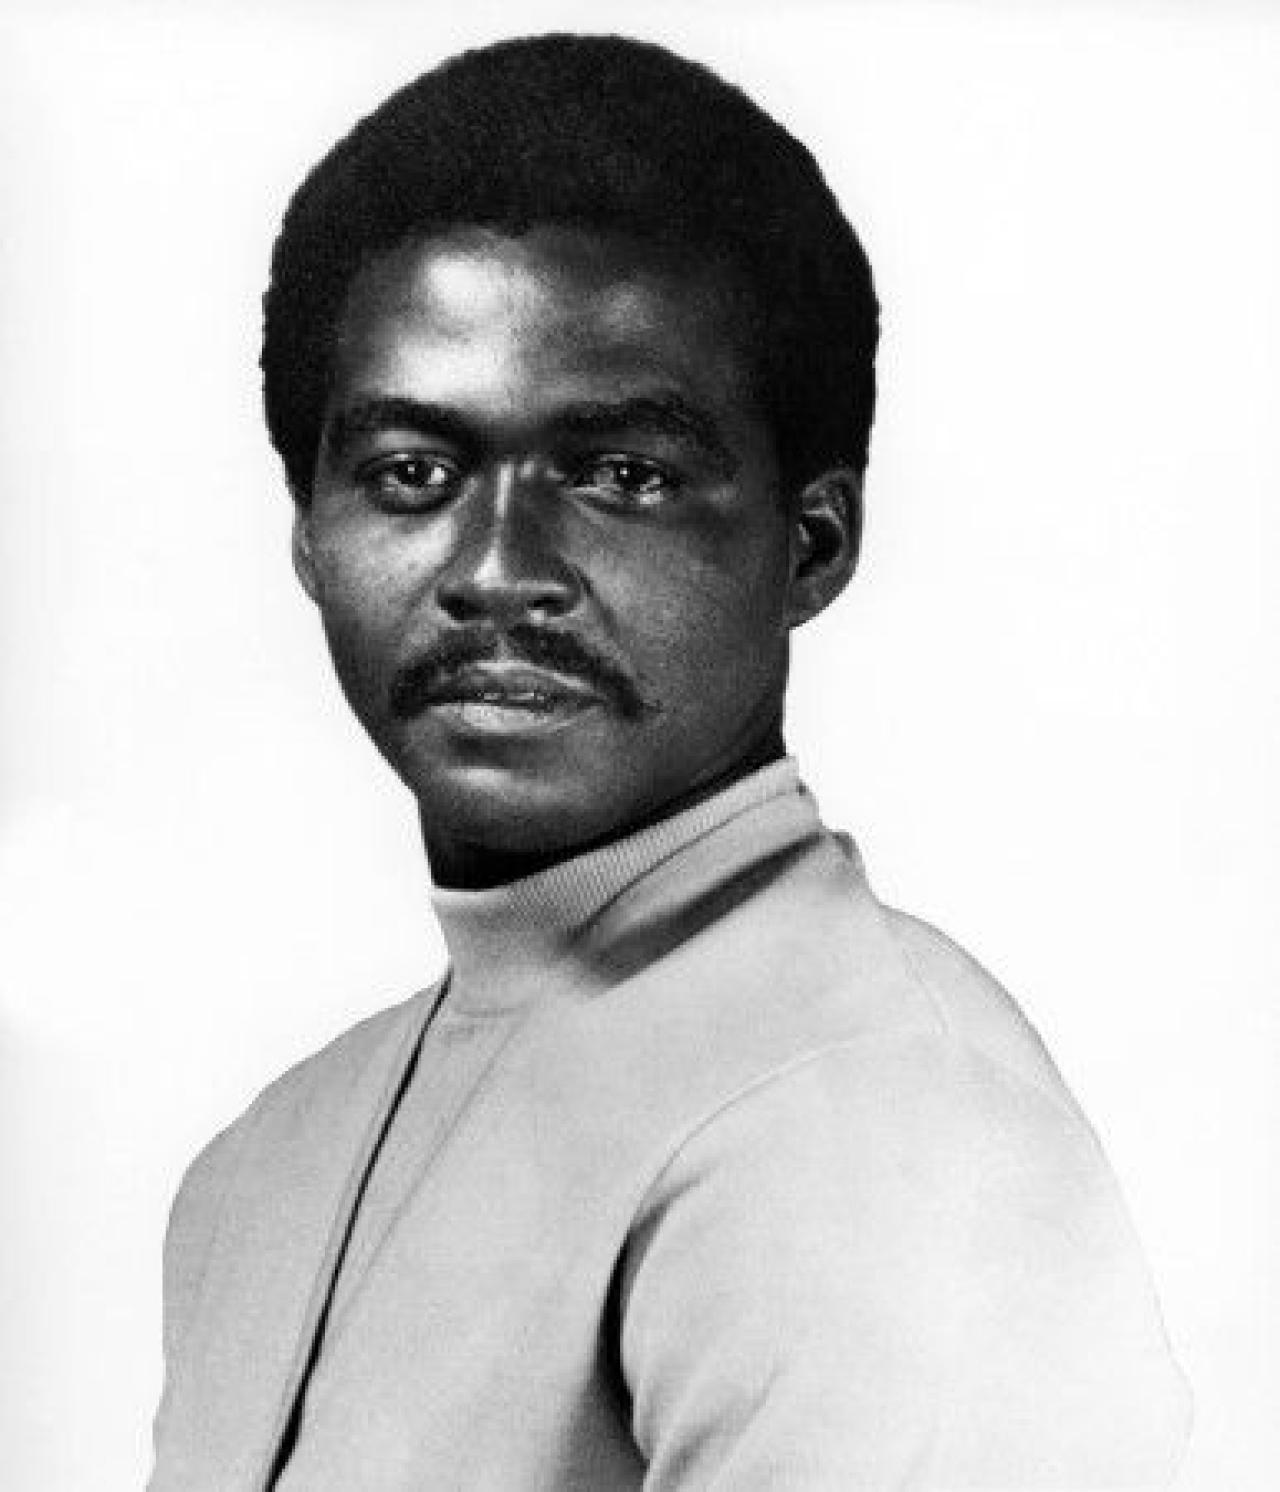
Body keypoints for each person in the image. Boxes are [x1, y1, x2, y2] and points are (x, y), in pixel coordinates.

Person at [149, 33, 1190, 1490]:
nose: (496, 569)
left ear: (810, 544)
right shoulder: (262, 1169)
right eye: (412, 474)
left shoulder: (880, 1125)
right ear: (311, 537)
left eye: (622, 475)